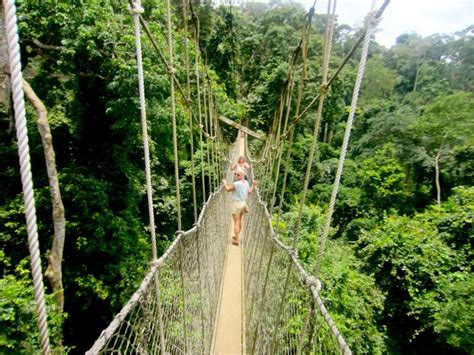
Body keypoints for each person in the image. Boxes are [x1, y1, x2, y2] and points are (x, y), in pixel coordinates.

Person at [222, 167, 257, 246]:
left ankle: (237, 241)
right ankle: (237, 236)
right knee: (239, 220)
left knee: (236, 222)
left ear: (242, 175)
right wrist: (253, 185)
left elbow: (227, 189)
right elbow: (249, 192)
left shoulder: (236, 184)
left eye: (237, 174)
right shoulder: (247, 183)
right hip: (243, 204)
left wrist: (224, 182)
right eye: (235, 174)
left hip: (236, 204)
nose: (235, 175)